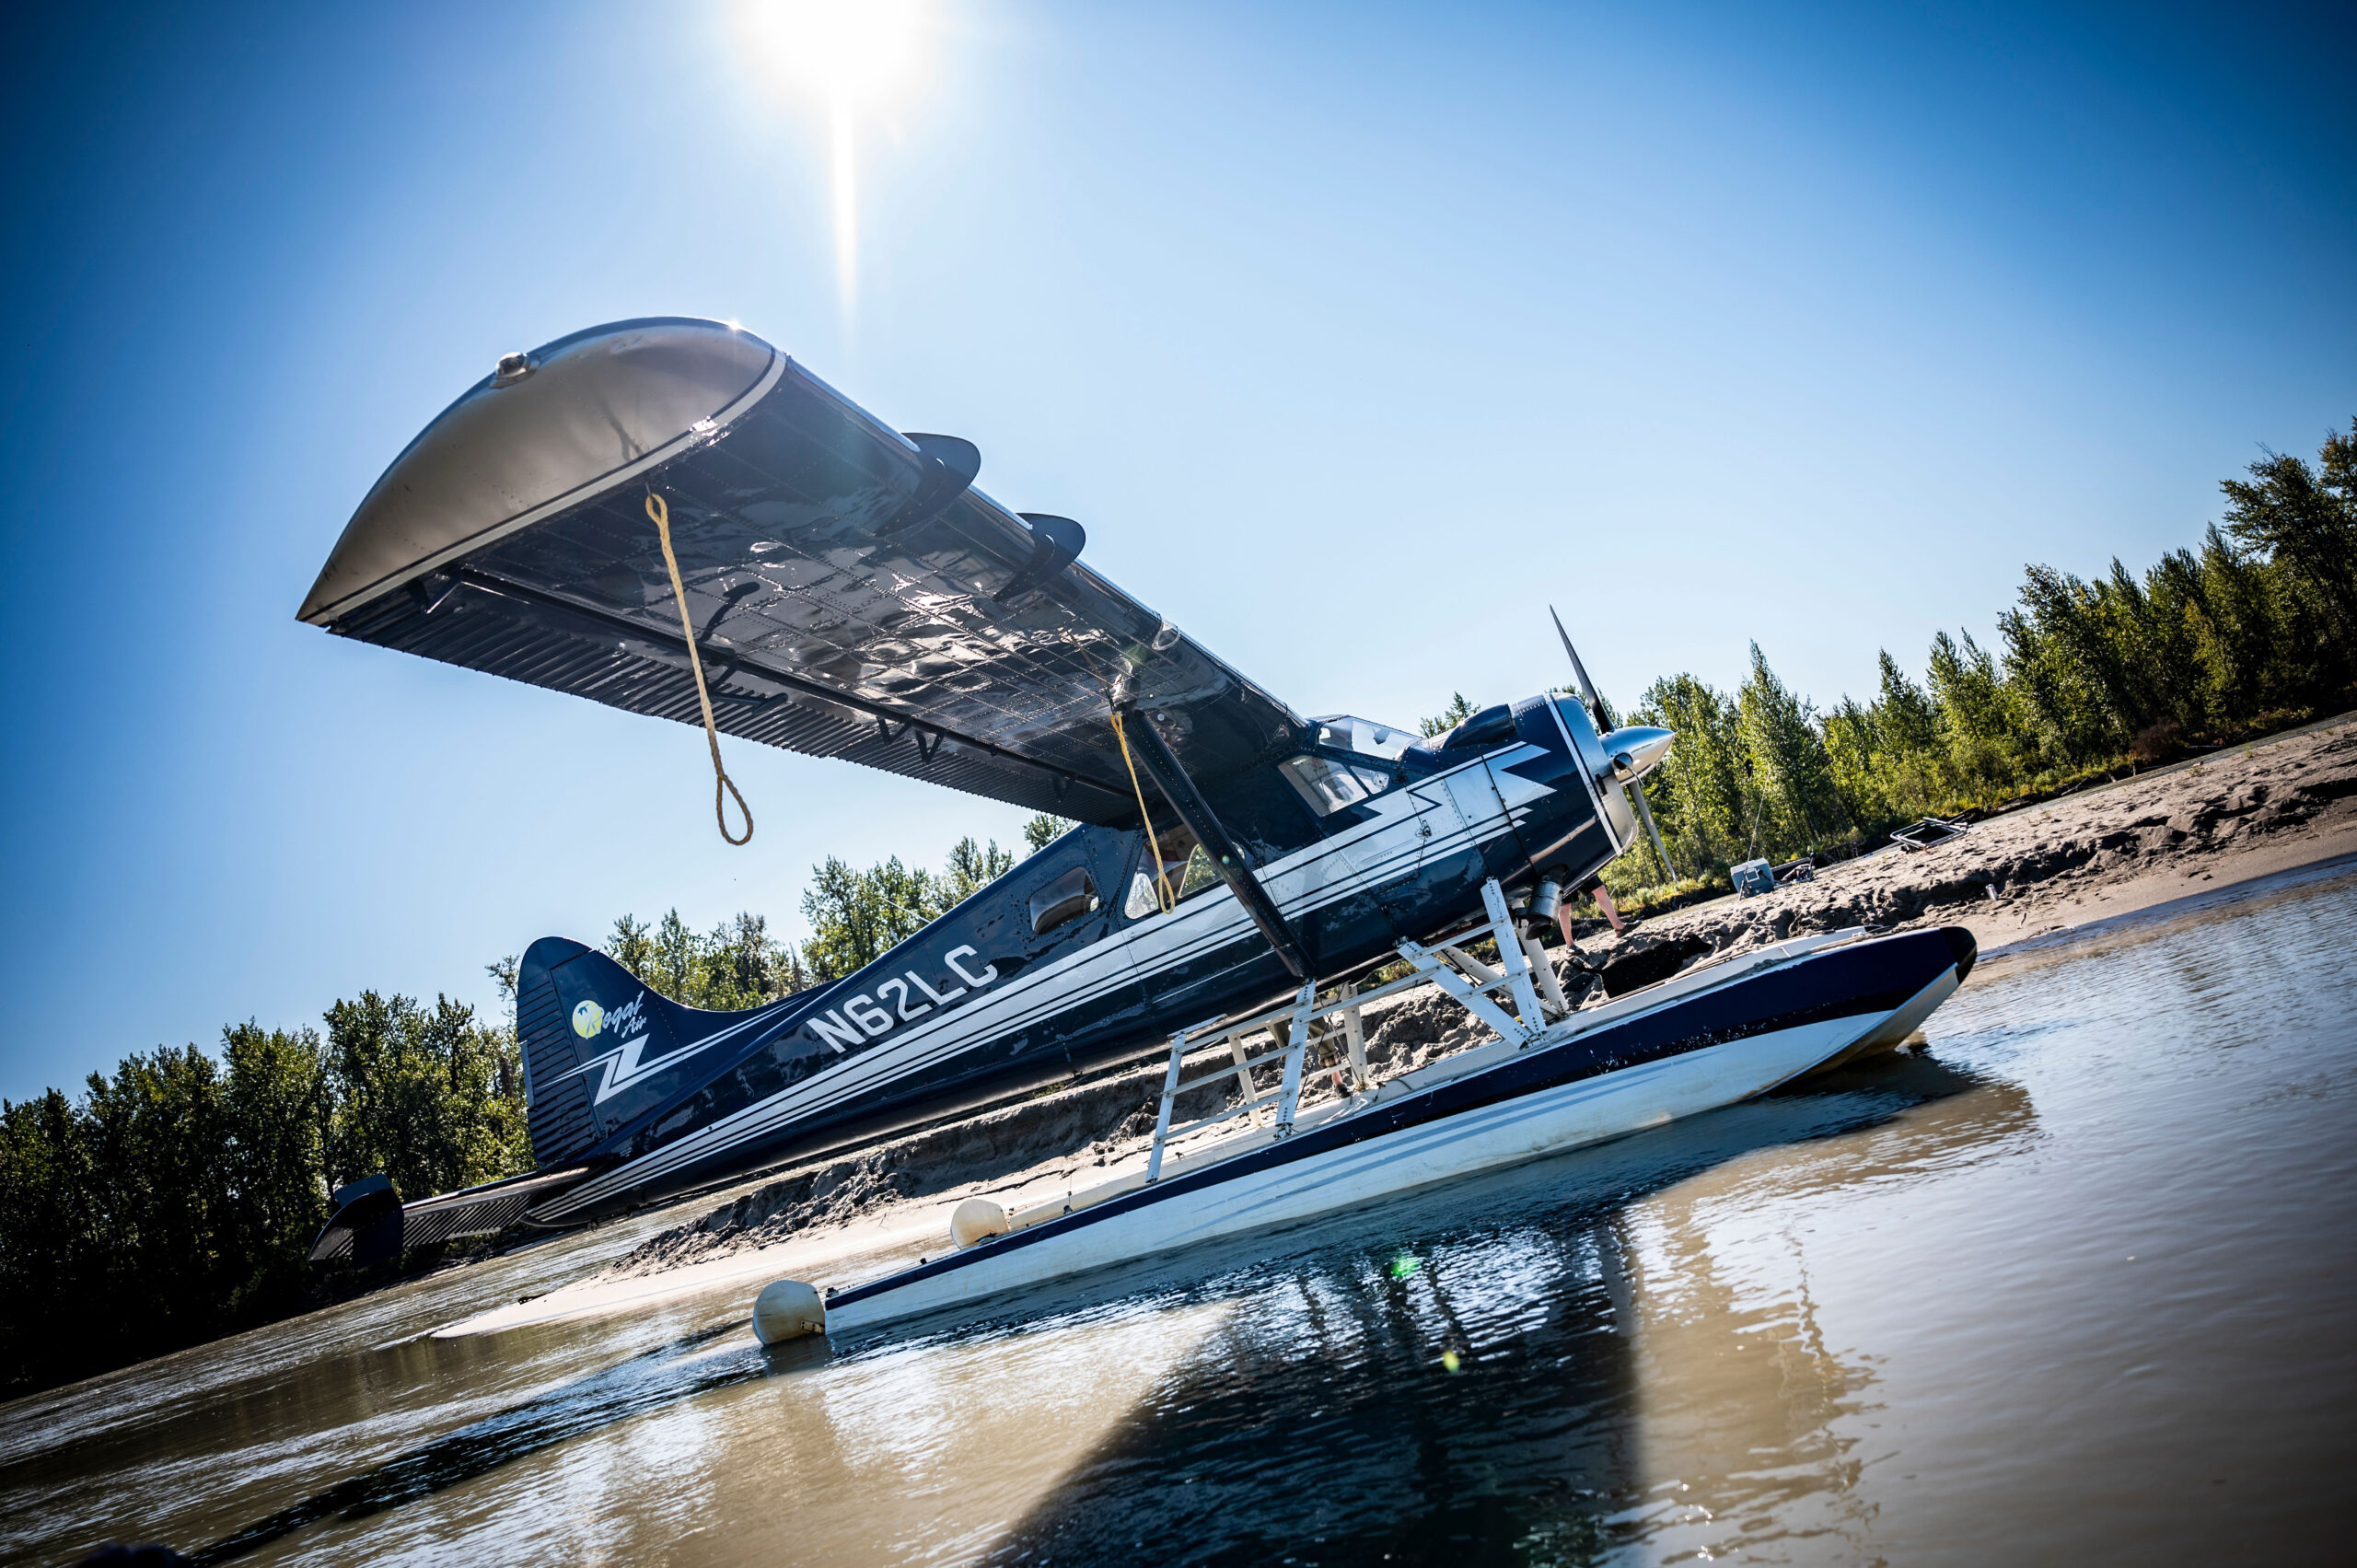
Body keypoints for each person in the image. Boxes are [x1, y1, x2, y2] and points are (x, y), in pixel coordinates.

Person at [1557, 872, 1625, 944]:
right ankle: (1570, 944)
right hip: (1559, 869)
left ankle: (1618, 926)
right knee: (1565, 905)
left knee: (1599, 889)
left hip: (1578, 863)